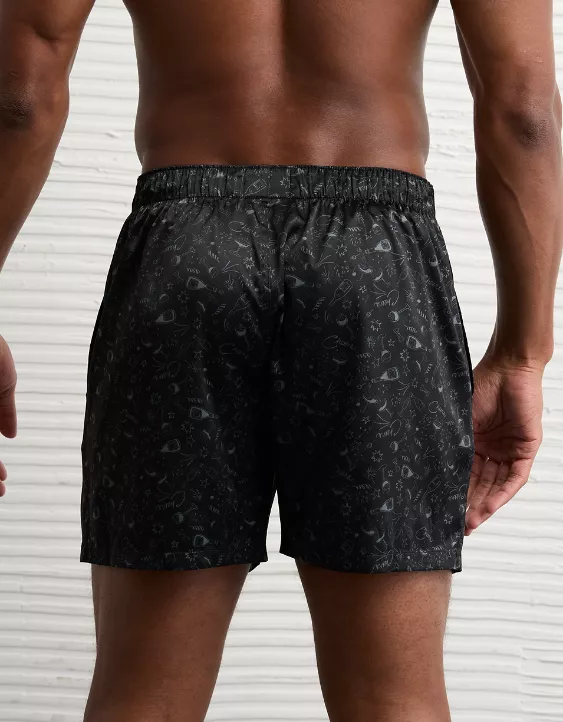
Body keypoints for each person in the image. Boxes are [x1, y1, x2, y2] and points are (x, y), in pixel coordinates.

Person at [0, 1, 561, 720]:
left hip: (185, 252)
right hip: (376, 268)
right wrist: (521, 353)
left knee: (141, 697)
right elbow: (524, 112)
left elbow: (21, 97)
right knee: (395, 700)